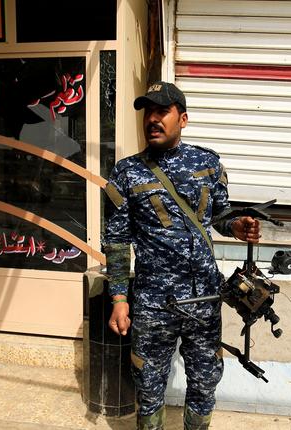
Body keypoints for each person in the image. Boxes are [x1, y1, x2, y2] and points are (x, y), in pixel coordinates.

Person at [102, 81, 260, 430]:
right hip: (153, 303)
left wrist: (238, 226)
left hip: (204, 298)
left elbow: (220, 216)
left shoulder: (208, 164)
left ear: (183, 119)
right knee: (148, 385)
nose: (152, 120)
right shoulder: (126, 173)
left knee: (205, 382)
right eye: (148, 112)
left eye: (162, 111)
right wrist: (118, 297)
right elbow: (115, 241)